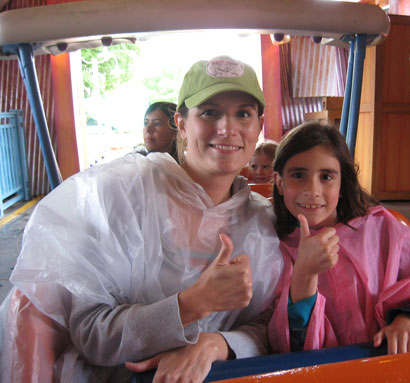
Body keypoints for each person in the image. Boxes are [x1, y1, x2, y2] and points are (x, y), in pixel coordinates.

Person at [0, 56, 283, 382]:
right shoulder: (125, 198)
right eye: (209, 112)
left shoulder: (264, 223)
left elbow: (269, 326)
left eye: (243, 114)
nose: (227, 128)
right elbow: (92, 334)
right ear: (182, 123)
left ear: (259, 125)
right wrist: (191, 304)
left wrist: (216, 344)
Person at [268, 122, 410, 356]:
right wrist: (305, 274)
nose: (313, 189)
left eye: (326, 176)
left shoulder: (384, 231)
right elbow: (284, 346)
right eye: (298, 175)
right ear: (280, 183)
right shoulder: (272, 247)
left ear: (342, 184)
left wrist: (407, 319)